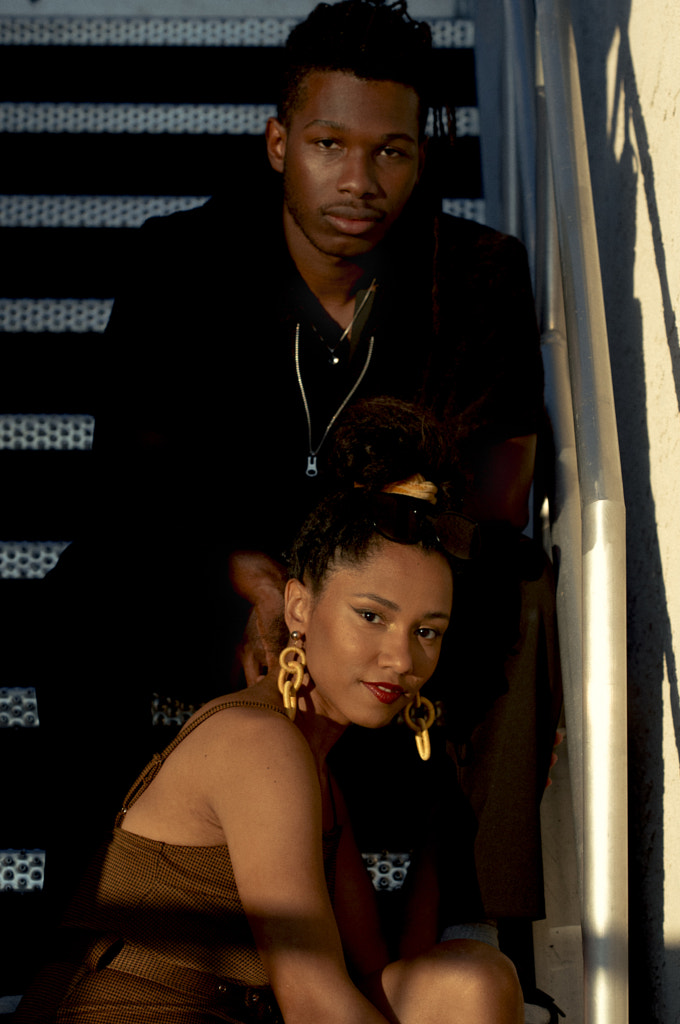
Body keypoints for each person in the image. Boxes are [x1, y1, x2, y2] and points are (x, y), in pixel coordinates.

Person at [42, 0, 558, 1002]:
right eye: (328, 144)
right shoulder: (175, 262)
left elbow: (497, 494)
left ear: (421, 153)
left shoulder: (478, 275)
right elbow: (127, 475)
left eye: (392, 152)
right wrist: (232, 570)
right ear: (279, 143)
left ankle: (461, 907)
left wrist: (349, 581)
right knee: (77, 594)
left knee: (523, 598)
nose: (360, 183)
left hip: (386, 577)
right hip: (220, 579)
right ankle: (88, 902)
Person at [15, 399, 524, 1024]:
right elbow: (315, 1004)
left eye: (428, 631)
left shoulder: (315, 767)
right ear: (300, 608)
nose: (401, 658)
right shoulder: (259, 744)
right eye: (372, 616)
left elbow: (370, 975)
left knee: (468, 980)